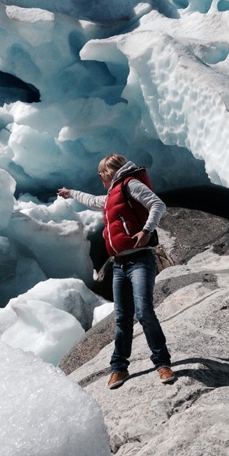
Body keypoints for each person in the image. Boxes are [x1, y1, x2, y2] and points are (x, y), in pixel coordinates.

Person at [58, 154, 175, 389]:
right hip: (120, 264)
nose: (99, 176)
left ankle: (162, 363)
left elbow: (157, 204)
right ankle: (119, 368)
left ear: (110, 172)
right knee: (122, 318)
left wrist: (146, 230)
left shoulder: (130, 185)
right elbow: (93, 200)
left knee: (144, 311)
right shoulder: (112, 195)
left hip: (140, 260)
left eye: (101, 172)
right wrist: (70, 193)